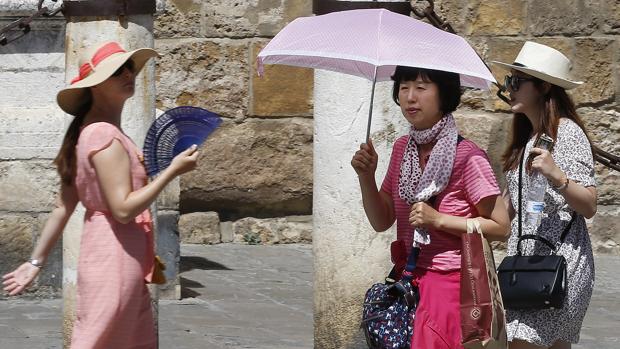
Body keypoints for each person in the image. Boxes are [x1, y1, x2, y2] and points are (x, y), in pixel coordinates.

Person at [2, 41, 199, 348]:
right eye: (117, 71)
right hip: (115, 258)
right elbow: (122, 210)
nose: (128, 74)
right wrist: (172, 171)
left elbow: (62, 208)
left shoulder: (92, 132)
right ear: (95, 85)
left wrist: (35, 263)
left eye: (130, 68)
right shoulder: (103, 134)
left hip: (112, 255)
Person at [351, 65, 510, 348]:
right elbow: (381, 220)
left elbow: (500, 226)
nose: (410, 97)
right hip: (408, 280)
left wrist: (439, 221)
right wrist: (366, 177)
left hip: (450, 286)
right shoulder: (402, 148)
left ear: (444, 94)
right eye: (404, 87)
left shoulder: (468, 156)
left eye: (421, 88)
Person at [493, 41, 597, 349]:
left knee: (524, 341)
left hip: (560, 264)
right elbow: (507, 209)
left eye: (516, 82)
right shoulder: (524, 140)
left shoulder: (567, 132)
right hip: (524, 266)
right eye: (508, 81)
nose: (509, 88)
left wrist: (557, 176)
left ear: (544, 87)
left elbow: (589, 204)